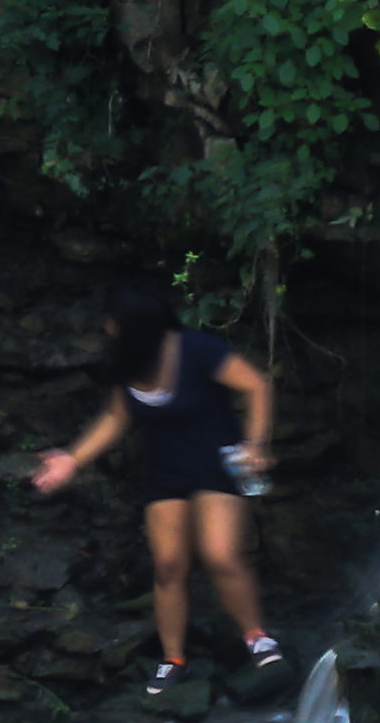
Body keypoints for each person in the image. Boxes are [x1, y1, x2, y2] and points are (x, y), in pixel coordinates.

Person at [28, 288, 286, 699]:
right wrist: (71, 460)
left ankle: (257, 638)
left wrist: (255, 443)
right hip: (165, 473)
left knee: (219, 555)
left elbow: (256, 385)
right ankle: (173, 658)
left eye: (114, 326)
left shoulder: (197, 350)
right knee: (168, 565)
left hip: (216, 464)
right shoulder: (127, 363)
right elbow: (117, 417)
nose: (107, 331)